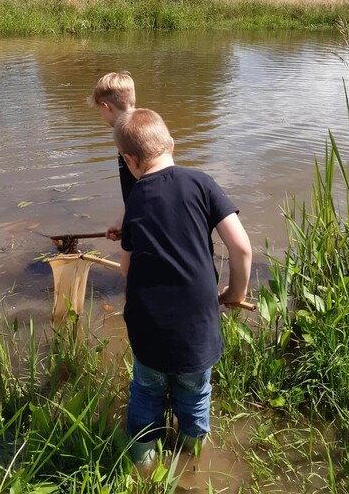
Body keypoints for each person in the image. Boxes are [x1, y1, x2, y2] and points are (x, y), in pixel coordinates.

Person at [113, 108, 252, 465]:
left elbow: (127, 268)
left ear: (130, 160)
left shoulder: (136, 199)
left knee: (146, 391)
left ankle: (142, 463)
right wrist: (236, 294)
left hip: (147, 327)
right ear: (171, 144)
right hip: (197, 327)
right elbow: (241, 246)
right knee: (194, 396)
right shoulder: (202, 182)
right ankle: (192, 459)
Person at [88, 71, 137, 239]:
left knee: (130, 264)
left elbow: (146, 184)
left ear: (105, 107)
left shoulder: (127, 136)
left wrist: (132, 224)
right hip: (140, 215)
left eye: (100, 111)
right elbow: (136, 186)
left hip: (143, 220)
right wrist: (122, 220)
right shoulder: (146, 127)